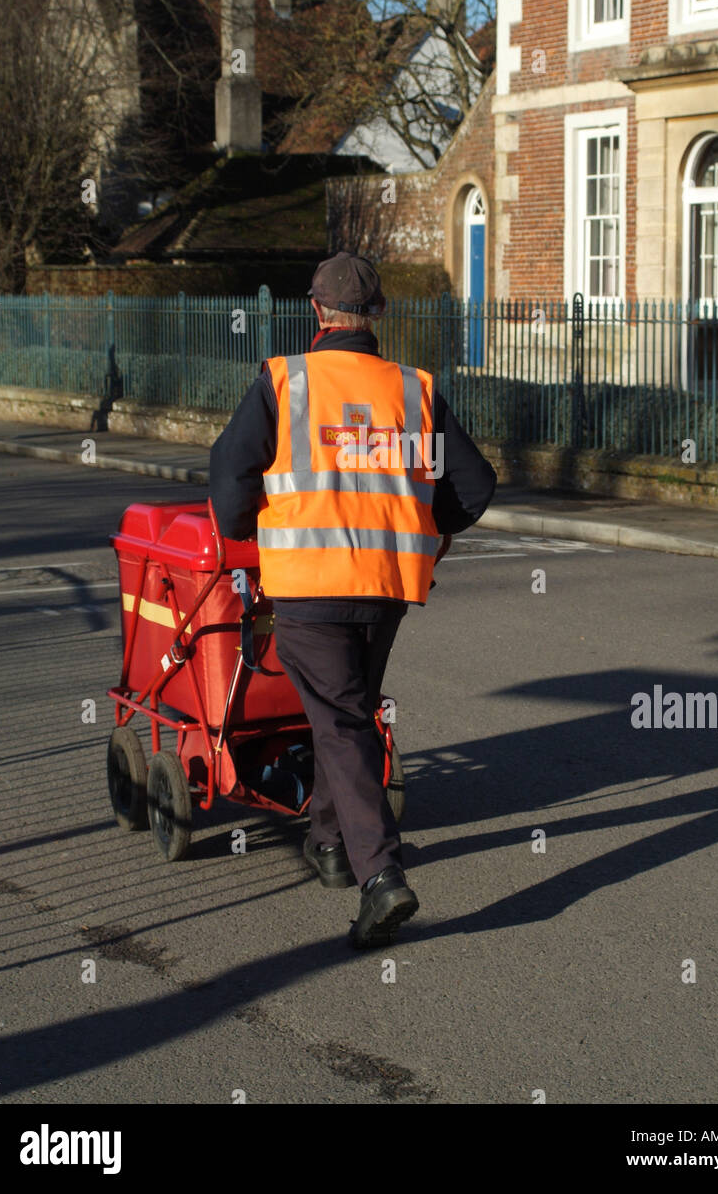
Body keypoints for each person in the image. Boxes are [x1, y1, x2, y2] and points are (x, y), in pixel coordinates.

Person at [209, 251, 496, 948]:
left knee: (339, 725)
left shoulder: (285, 380)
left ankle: (380, 878)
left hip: (308, 586)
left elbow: (229, 472)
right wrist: (426, 523)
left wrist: (246, 526)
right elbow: (475, 485)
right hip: (386, 589)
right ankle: (332, 847)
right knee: (348, 717)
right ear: (378, 315)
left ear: (314, 310)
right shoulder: (412, 387)